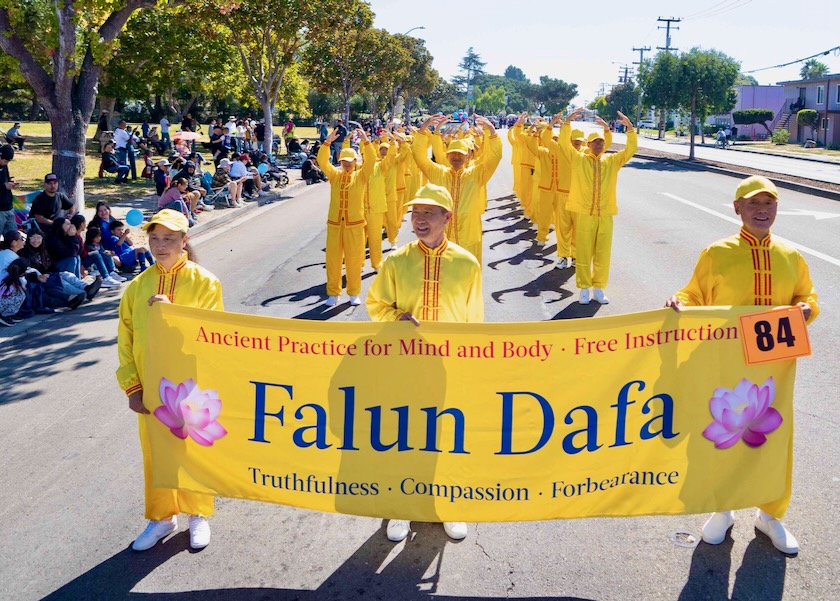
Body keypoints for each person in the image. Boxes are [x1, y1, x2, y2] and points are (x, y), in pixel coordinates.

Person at [664, 175, 819, 555]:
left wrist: (806, 309)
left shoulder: (791, 256)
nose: (762, 210)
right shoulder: (716, 253)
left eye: (769, 203)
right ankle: (723, 508)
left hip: (775, 369)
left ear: (777, 208)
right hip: (727, 366)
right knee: (724, 435)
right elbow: (693, 293)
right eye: (753, 203)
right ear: (737, 208)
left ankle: (770, 514)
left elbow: (807, 297)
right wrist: (679, 302)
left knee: (774, 441)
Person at [366, 183, 482, 542]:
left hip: (449, 367)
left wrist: (471, 368)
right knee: (404, 436)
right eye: (415, 213)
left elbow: (474, 323)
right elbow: (375, 305)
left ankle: (448, 504)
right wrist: (396, 317)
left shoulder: (467, 264)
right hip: (405, 366)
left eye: (428, 213)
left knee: (448, 437)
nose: (419, 220)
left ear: (447, 217)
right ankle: (401, 507)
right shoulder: (396, 261)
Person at [116, 209, 223, 551]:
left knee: (191, 450)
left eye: (169, 239)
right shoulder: (137, 286)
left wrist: (172, 313)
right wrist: (132, 387)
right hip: (151, 387)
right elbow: (126, 340)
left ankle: (198, 513)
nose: (160, 246)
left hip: (191, 384)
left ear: (184, 241)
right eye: (155, 239)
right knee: (155, 453)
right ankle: (162, 517)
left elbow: (213, 335)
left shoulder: (205, 282)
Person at [559, 108, 636, 305]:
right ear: (589, 144)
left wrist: (630, 129)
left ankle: (599, 288)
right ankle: (584, 288)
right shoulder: (578, 159)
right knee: (584, 253)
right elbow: (564, 144)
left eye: (601, 142)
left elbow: (630, 150)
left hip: (605, 215)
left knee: (603, 253)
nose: (599, 145)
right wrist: (566, 123)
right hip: (585, 214)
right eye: (595, 142)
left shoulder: (612, 161)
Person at [411, 114, 503, 264]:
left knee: (468, 273)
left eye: (460, 154)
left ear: (467, 157)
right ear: (446, 156)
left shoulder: (476, 174)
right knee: (442, 274)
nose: (456, 157)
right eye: (452, 153)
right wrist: (423, 130)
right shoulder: (438, 173)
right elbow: (419, 156)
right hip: (442, 237)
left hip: (468, 237)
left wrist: (492, 132)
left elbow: (494, 157)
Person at [318, 127, 375, 306]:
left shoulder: (361, 176)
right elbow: (322, 162)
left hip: (355, 226)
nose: (347, 164)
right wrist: (327, 143)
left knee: (354, 261)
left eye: (350, 161)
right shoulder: (335, 176)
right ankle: (333, 293)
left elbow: (371, 160)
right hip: (335, 225)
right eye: (344, 161)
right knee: (333, 261)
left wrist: (366, 141)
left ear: (356, 161)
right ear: (340, 161)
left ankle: (354, 293)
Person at [0, 144, 19, 238]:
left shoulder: (4, 166)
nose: (6, 163)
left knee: (14, 237)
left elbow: (4, 180)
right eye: (5, 161)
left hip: (8, 206)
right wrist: (4, 186)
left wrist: (10, 183)